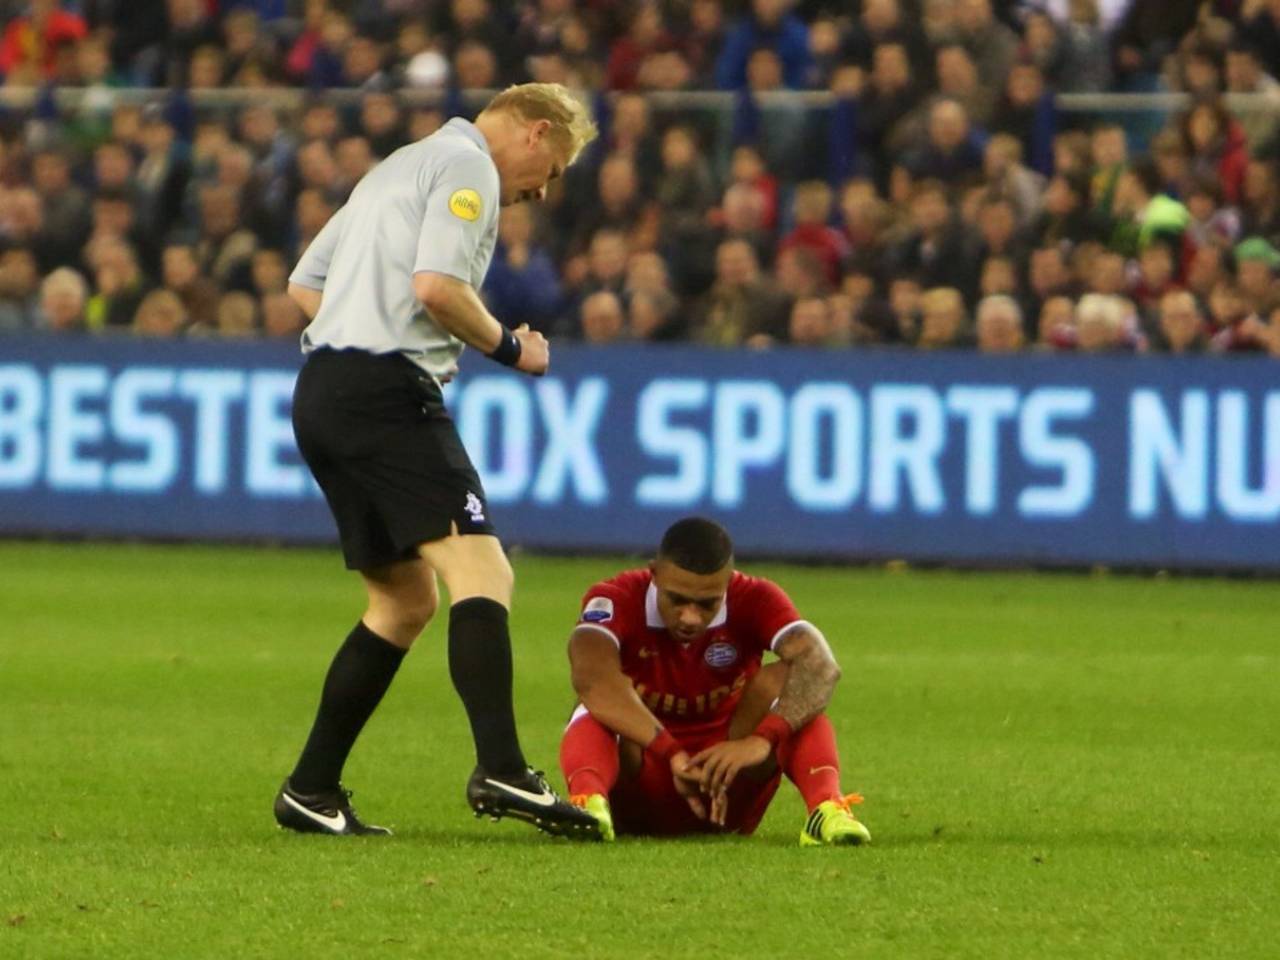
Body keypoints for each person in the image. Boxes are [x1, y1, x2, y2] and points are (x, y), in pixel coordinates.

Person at [279, 82, 601, 839]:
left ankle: (310, 789)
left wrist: (360, 335)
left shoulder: (397, 165)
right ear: (534, 128)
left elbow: (303, 285)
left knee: (402, 603)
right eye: (551, 169)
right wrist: (512, 347)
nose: (543, 189)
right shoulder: (469, 169)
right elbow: (437, 288)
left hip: (325, 389)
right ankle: (501, 768)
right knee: (483, 571)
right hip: (388, 392)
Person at [558, 517, 870, 846]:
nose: (690, 618)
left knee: (794, 686)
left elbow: (821, 666)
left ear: (727, 584)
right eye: (677, 600)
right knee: (594, 705)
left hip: (729, 785)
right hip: (642, 783)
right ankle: (588, 807)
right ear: (655, 574)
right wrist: (671, 753)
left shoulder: (755, 597)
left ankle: (828, 807)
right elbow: (592, 677)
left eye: (708, 604)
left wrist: (761, 740)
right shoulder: (616, 599)